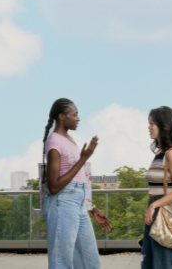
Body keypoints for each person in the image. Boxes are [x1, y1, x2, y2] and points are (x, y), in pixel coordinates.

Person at [42, 98, 113, 269]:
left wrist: (92, 208)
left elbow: (79, 180)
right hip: (63, 203)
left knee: (90, 263)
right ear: (61, 117)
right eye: (74, 115)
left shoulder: (69, 139)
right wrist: (83, 159)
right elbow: (54, 186)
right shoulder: (54, 142)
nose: (78, 118)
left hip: (78, 204)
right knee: (61, 263)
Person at [141, 106, 172, 269]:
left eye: (152, 123)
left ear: (164, 125)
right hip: (156, 209)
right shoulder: (160, 153)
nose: (149, 127)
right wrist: (152, 206)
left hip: (165, 210)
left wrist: (154, 205)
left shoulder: (171, 153)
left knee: (164, 264)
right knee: (151, 263)